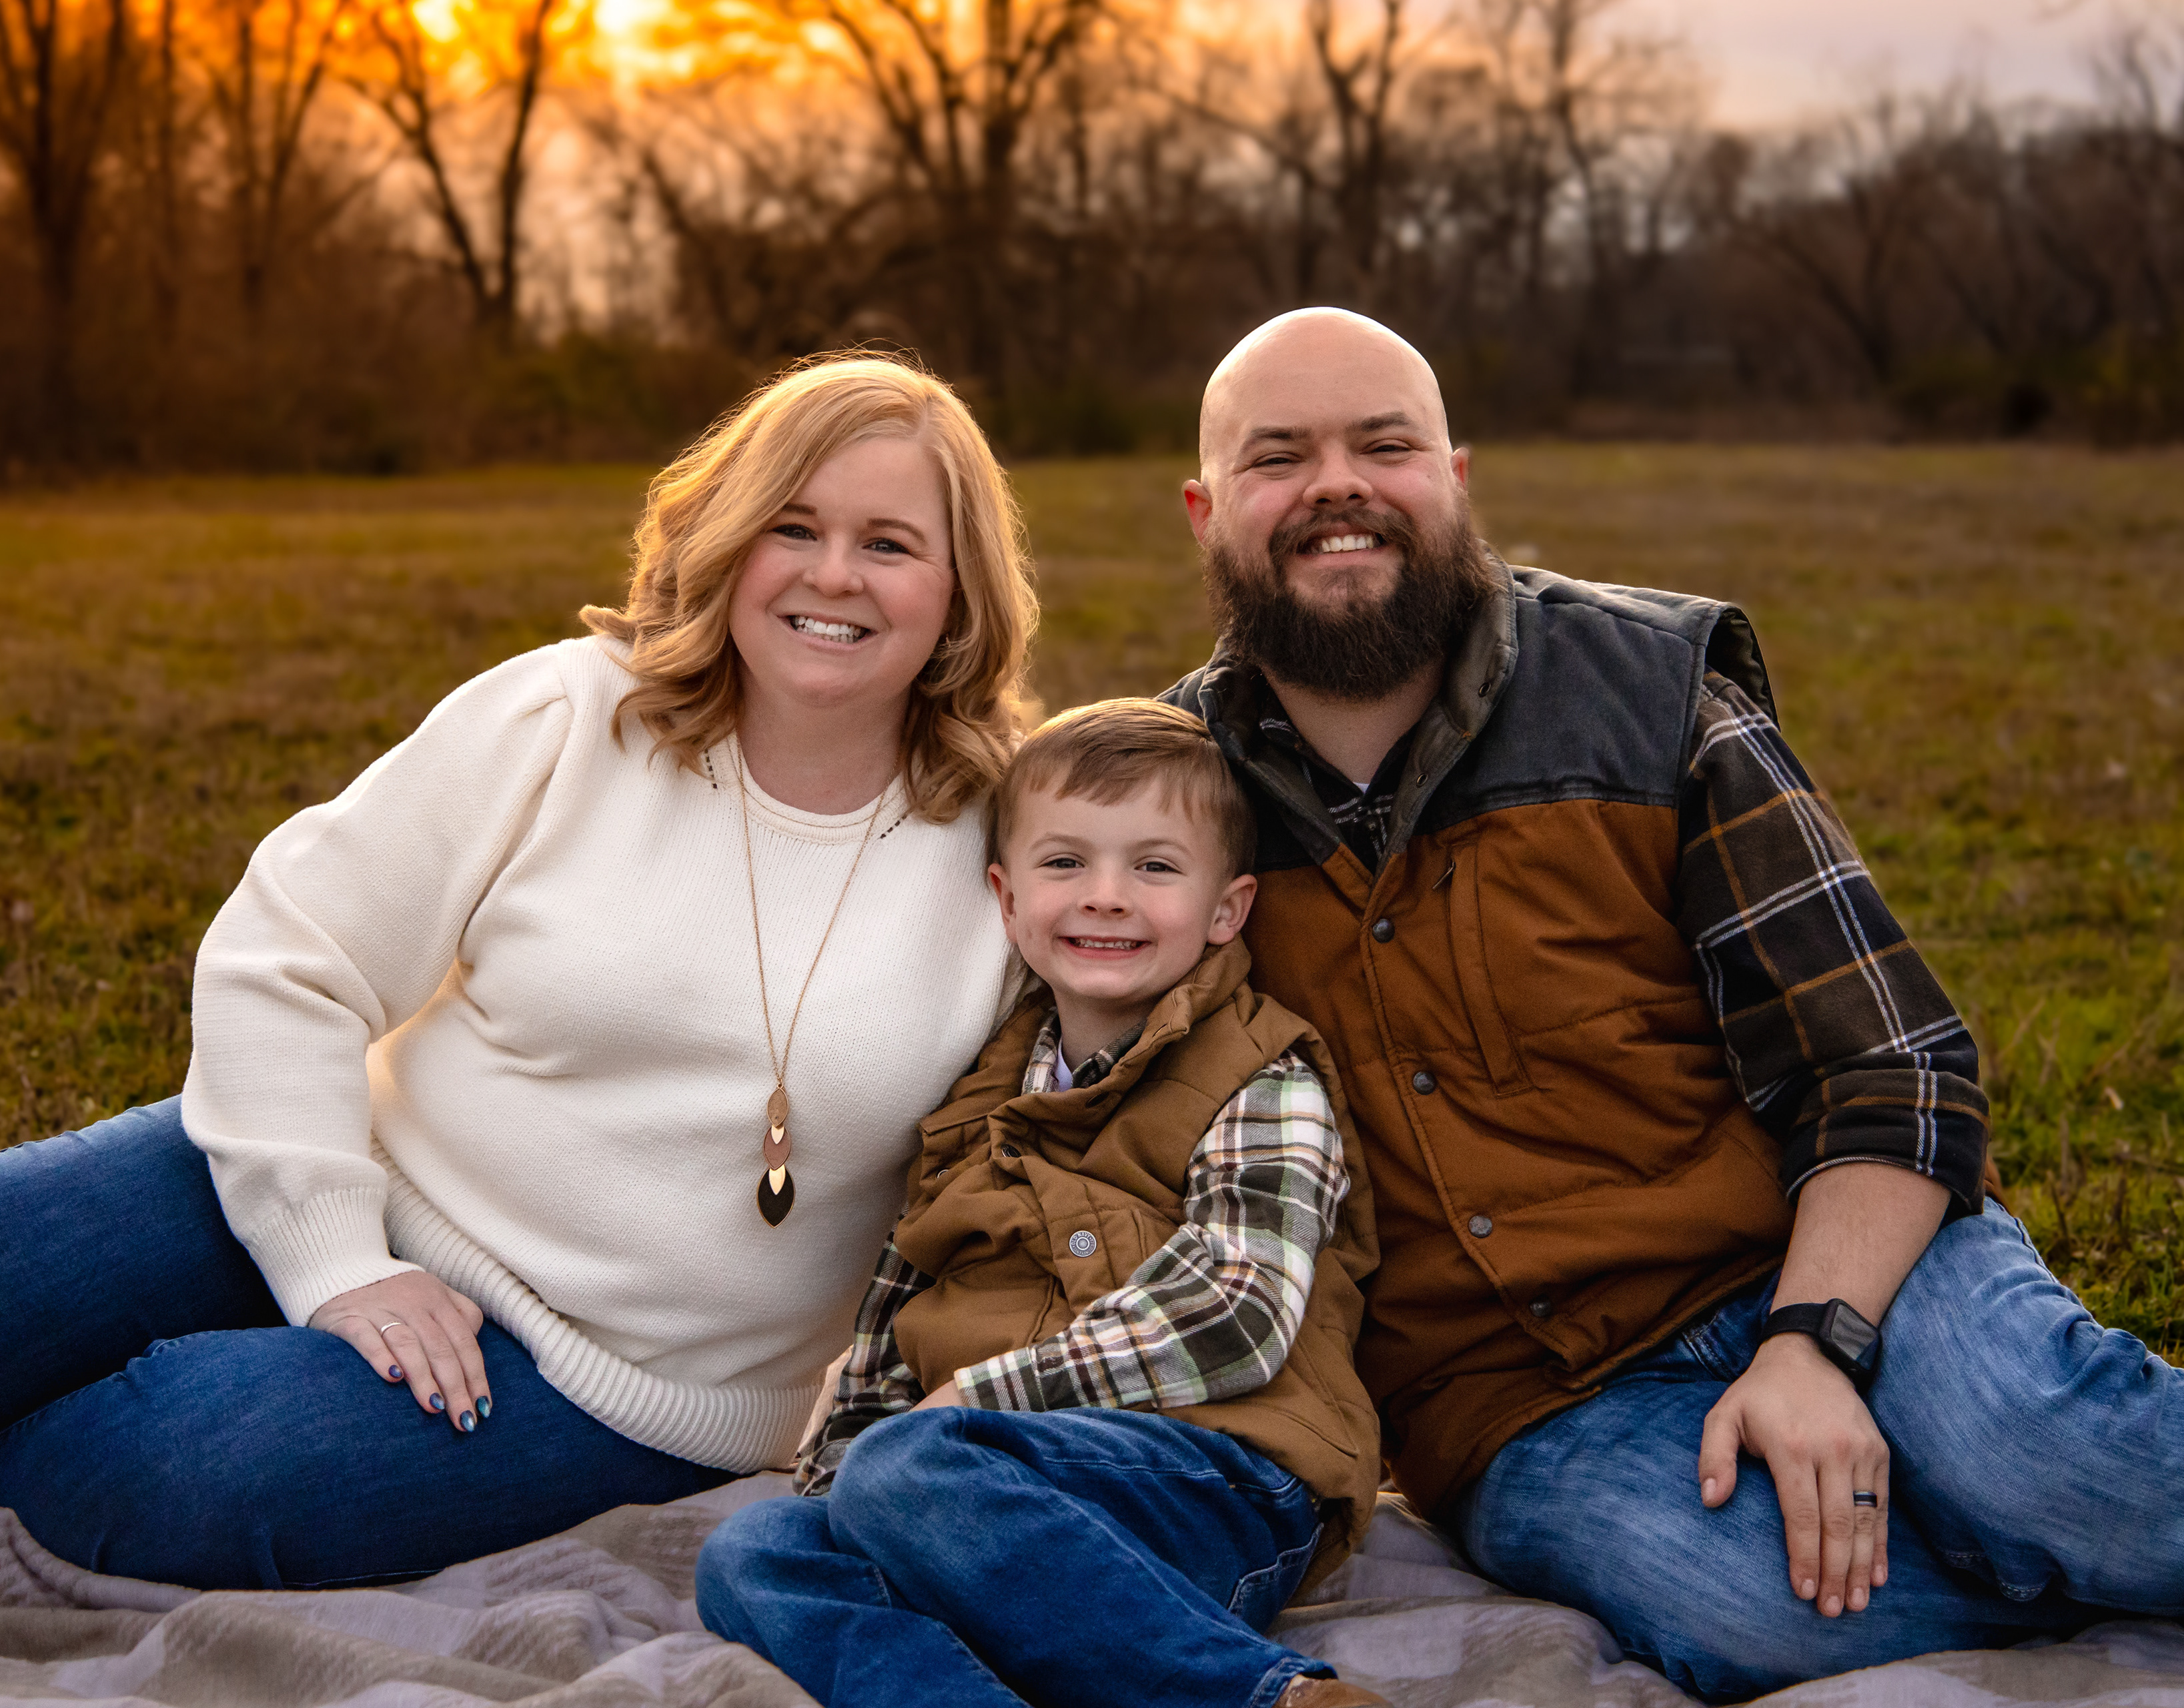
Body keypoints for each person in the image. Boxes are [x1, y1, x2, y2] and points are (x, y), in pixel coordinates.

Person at [1159, 307, 2184, 1701]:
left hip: (1815, 1249)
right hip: (1519, 1395)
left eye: (1382, 446)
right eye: (1278, 457)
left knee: (2041, 1454)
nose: (1336, 486)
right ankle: (2028, 1548)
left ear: (1452, 476)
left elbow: (1887, 1063)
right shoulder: (1169, 805)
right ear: (1205, 510)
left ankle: (2023, 1507)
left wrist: (1811, 1343)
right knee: (1768, 1608)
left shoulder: (1649, 691)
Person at [0, 355, 1039, 1591]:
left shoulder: (1017, 844)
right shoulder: (574, 713)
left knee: (154, 1472)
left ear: (959, 591)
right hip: (351, 1169)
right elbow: (295, 949)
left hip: (602, 1378)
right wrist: (338, 1260)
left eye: (889, 544)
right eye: (792, 526)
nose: (832, 575)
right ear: (728, 538)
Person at [694, 699, 1388, 1708]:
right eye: (1065, 863)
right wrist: (849, 1482)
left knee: (909, 1471)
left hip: (1217, 1478)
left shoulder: (1261, 1076)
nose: (1106, 897)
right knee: (757, 1551)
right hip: (977, 1490)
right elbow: (896, 1316)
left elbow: (1237, 1314)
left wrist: (967, 1412)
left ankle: (1262, 1697)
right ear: (1007, 900)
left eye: (1155, 868)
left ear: (1227, 910)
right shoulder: (974, 1101)